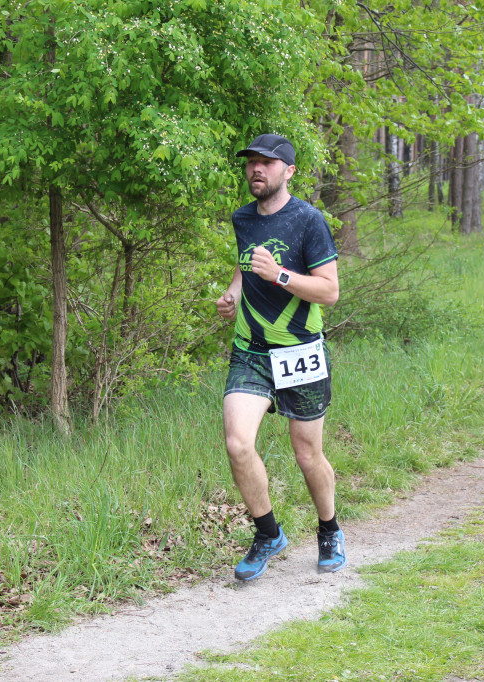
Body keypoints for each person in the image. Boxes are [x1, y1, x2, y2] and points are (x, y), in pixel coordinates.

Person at [215, 133, 346, 581]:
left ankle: (328, 529)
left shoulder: (309, 221)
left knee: (307, 454)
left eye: (267, 163)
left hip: (300, 352)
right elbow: (245, 259)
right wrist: (234, 289)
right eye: (251, 161)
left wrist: (282, 274)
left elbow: (329, 291)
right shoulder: (242, 219)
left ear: (288, 171)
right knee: (237, 443)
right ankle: (268, 533)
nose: (256, 169)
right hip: (250, 350)